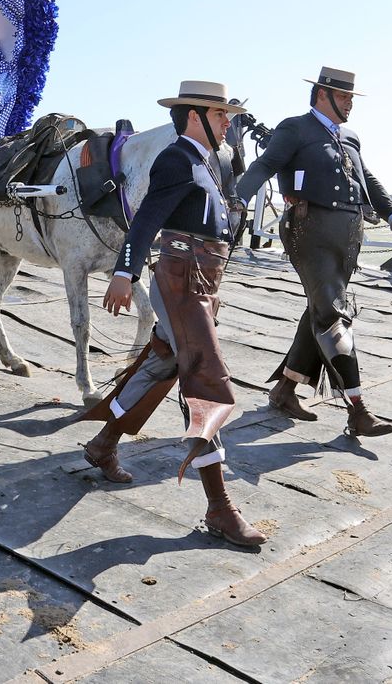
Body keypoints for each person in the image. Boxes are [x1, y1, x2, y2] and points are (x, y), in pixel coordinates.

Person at [77, 80, 269, 548]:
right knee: (205, 379)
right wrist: (123, 273)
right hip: (181, 280)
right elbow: (146, 222)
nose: (229, 122)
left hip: (202, 280)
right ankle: (220, 507)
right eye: (221, 114)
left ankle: (103, 444)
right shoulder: (175, 159)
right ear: (194, 116)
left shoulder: (206, 161)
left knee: (164, 362)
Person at [235, 67, 392, 437]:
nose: (350, 104)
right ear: (322, 95)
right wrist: (235, 199)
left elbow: (368, 178)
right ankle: (358, 410)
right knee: (333, 314)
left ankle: (285, 389)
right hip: (308, 231)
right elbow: (265, 164)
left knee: (319, 308)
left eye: (351, 98)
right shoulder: (295, 127)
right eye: (345, 97)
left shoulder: (350, 136)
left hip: (348, 237)